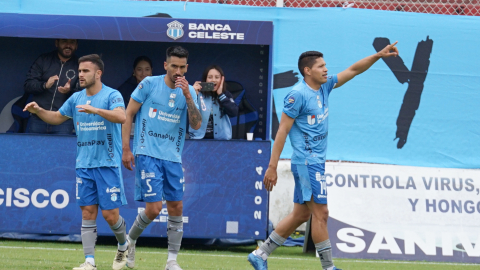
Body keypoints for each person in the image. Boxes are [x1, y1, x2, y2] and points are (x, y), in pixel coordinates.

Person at [247, 42, 400, 270]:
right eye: (321, 66)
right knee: (322, 213)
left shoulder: (325, 86)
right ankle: (328, 267)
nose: (326, 69)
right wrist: (272, 166)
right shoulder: (297, 95)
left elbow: (354, 70)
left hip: (315, 163)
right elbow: (282, 132)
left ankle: (261, 254)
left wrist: (378, 55)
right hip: (307, 163)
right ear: (308, 71)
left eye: (325, 65)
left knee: (300, 215)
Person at [24, 54, 129, 270]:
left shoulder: (112, 95)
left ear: (98, 73)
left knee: (110, 216)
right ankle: (89, 261)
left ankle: (124, 244)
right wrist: (38, 111)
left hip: (107, 164)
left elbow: (122, 117)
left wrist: (96, 110)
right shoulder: (76, 98)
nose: (80, 75)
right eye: (79, 71)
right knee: (88, 213)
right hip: (84, 165)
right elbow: (57, 118)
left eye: (85, 71)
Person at [121, 46, 201, 270]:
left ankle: (171, 261)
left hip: (173, 157)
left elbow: (196, 124)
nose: (178, 71)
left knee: (176, 207)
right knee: (154, 209)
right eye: (173, 66)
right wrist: (126, 148)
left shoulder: (189, 92)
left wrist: (187, 95)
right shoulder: (148, 84)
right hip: (147, 153)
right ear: (166, 65)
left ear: (186, 67)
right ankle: (131, 241)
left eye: (182, 67)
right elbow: (128, 114)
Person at [24, 39, 80, 134]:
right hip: (39, 117)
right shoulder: (44, 60)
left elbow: (84, 93)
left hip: (63, 120)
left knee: (61, 149)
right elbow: (28, 85)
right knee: (35, 148)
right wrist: (44, 85)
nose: (68, 45)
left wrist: (69, 91)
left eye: (72, 42)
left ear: (76, 46)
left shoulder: (79, 64)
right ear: (56, 43)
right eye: (64, 42)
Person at [190, 65, 238, 140]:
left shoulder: (226, 94)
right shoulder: (198, 93)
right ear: (205, 80)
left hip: (221, 140)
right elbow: (186, 113)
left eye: (217, 77)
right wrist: (192, 95)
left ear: (222, 79)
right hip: (198, 139)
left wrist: (220, 94)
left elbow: (234, 112)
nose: (213, 80)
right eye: (210, 77)